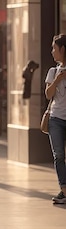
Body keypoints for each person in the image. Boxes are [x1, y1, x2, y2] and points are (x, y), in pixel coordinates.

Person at [45, 33, 66, 204]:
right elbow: (48, 94)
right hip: (56, 118)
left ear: (63, 49)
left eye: (54, 48)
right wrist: (58, 79)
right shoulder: (53, 71)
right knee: (58, 155)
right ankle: (64, 190)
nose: (52, 51)